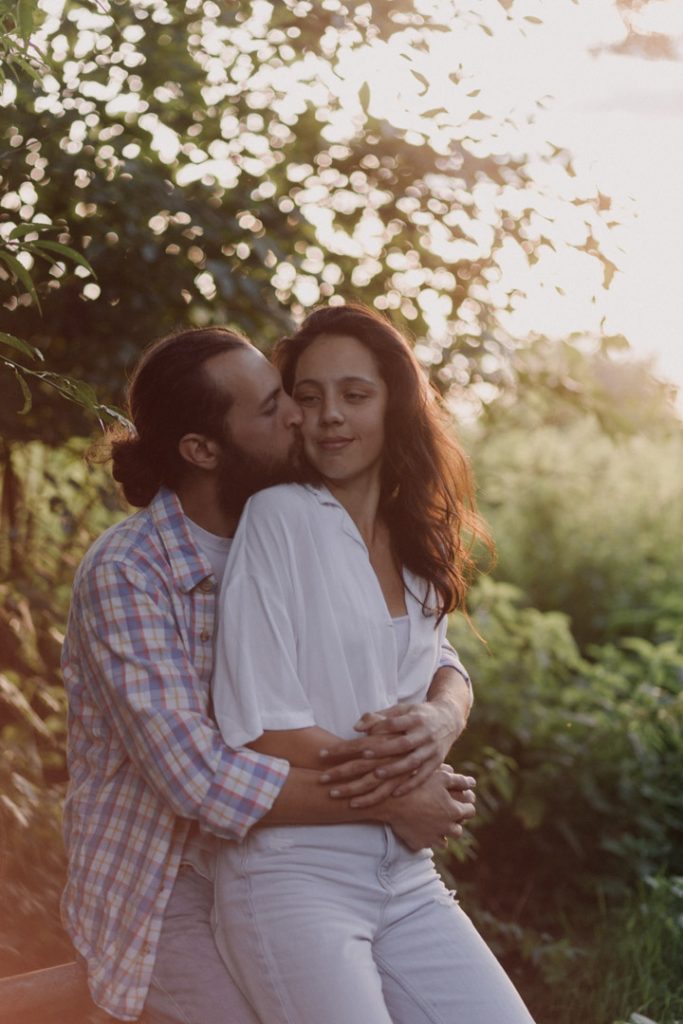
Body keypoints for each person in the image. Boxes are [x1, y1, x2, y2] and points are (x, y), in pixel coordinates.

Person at [61, 324, 478, 1024]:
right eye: (272, 407)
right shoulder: (130, 573)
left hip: (318, 854)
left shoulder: (302, 520)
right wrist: (393, 796)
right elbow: (200, 778)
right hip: (165, 888)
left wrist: (440, 715)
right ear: (202, 450)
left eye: (288, 395)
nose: (299, 415)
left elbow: (422, 648)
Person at [211, 304, 536, 1024]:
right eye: (308, 395)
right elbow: (262, 727)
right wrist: (404, 788)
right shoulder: (280, 517)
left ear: (396, 403)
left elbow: (440, 660)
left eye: (354, 395)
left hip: (403, 875)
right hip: (294, 874)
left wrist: (440, 716)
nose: (329, 416)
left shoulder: (416, 536)